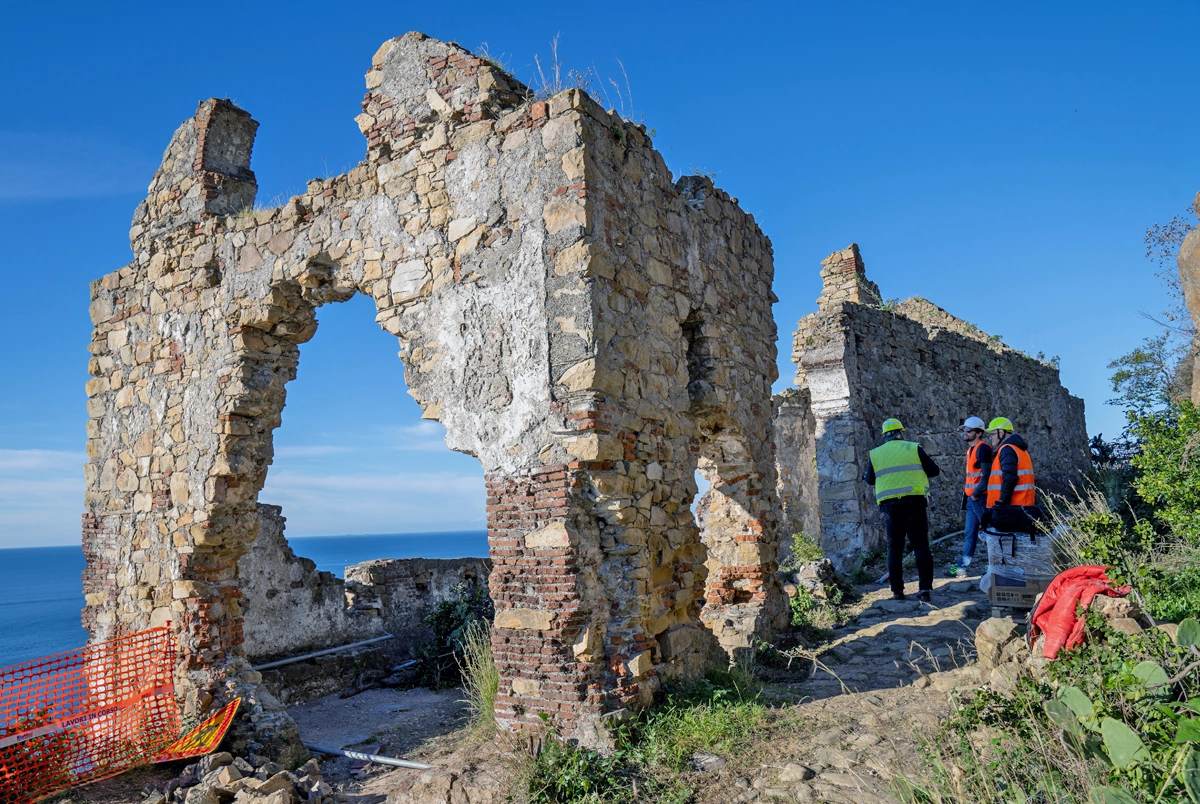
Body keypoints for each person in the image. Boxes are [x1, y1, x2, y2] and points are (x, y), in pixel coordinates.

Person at [863, 417, 941, 602]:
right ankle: (924, 590)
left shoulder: (876, 454)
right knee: (921, 545)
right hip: (915, 503)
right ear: (901, 433)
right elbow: (934, 470)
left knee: (894, 549)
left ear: (885, 436)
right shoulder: (913, 448)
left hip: (890, 506)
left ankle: (897, 591)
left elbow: (869, 480)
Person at [948, 416, 992, 577]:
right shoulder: (972, 449)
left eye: (968, 430)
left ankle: (993, 567)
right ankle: (962, 567)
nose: (964, 433)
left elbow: (987, 476)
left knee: (990, 534)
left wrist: (975, 494)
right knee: (970, 533)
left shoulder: (983, 449)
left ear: (979, 433)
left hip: (979, 498)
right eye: (964, 430)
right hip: (973, 499)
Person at [972, 417, 1036, 510]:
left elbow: (1009, 479)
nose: (990, 438)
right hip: (1020, 505)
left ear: (1001, 433)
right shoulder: (1017, 448)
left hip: (1012, 507)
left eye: (992, 434)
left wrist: (1002, 504)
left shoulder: (1007, 450)